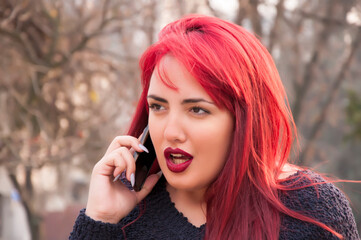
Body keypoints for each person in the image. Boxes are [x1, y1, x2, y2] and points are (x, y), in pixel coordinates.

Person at [69, 15, 359, 240]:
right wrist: (99, 220)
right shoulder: (125, 215)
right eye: (158, 107)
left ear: (245, 120)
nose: (171, 132)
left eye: (197, 110)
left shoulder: (311, 210)